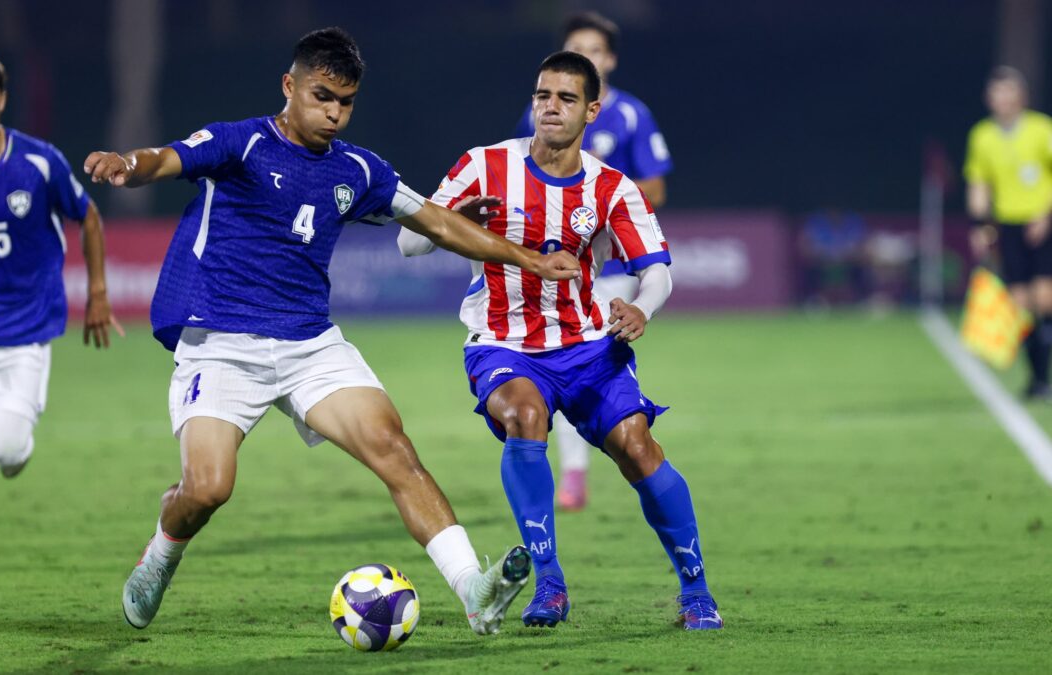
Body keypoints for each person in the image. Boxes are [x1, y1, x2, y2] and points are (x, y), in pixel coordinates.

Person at [83, 27, 582, 634]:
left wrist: (530, 260)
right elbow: (163, 159)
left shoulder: (356, 168)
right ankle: (162, 550)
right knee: (207, 490)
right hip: (221, 344)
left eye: (345, 102)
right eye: (322, 97)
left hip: (309, 345)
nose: (335, 113)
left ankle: (473, 591)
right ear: (289, 87)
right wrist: (124, 165)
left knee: (394, 449)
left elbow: (439, 223)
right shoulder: (240, 143)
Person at [398, 51, 722, 630]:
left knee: (638, 447)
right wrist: (457, 222)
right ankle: (549, 583)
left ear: (592, 110)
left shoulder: (612, 188)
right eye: (542, 95)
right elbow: (408, 245)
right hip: (502, 342)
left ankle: (696, 591)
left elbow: (658, 270)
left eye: (566, 98)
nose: (550, 107)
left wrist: (641, 309)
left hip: (587, 345)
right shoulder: (484, 164)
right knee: (525, 414)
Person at [514, 11, 674, 511]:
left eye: (595, 49)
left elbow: (656, 188)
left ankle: (625, 451)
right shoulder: (539, 113)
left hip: (609, 269)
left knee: (589, 369)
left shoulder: (630, 115)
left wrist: (602, 195)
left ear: (610, 60)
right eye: (576, 47)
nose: (587, 55)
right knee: (560, 367)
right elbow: (522, 176)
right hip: (556, 267)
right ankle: (576, 474)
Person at [0, 46, 120, 478]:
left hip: (23, 332)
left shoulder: (38, 161)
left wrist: (97, 293)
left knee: (5, 451)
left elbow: (88, 216)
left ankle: (12, 438)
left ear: (2, 99)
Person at [965, 66, 1052, 399]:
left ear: (1022, 97)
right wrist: (978, 225)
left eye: (1010, 92)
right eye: (998, 93)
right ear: (990, 99)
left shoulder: (1041, 129)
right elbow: (979, 183)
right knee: (1020, 304)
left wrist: (1045, 215)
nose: (1004, 99)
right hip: (1011, 225)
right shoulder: (982, 136)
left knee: (1044, 297)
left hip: (1044, 220)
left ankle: (1042, 378)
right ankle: (1038, 379)